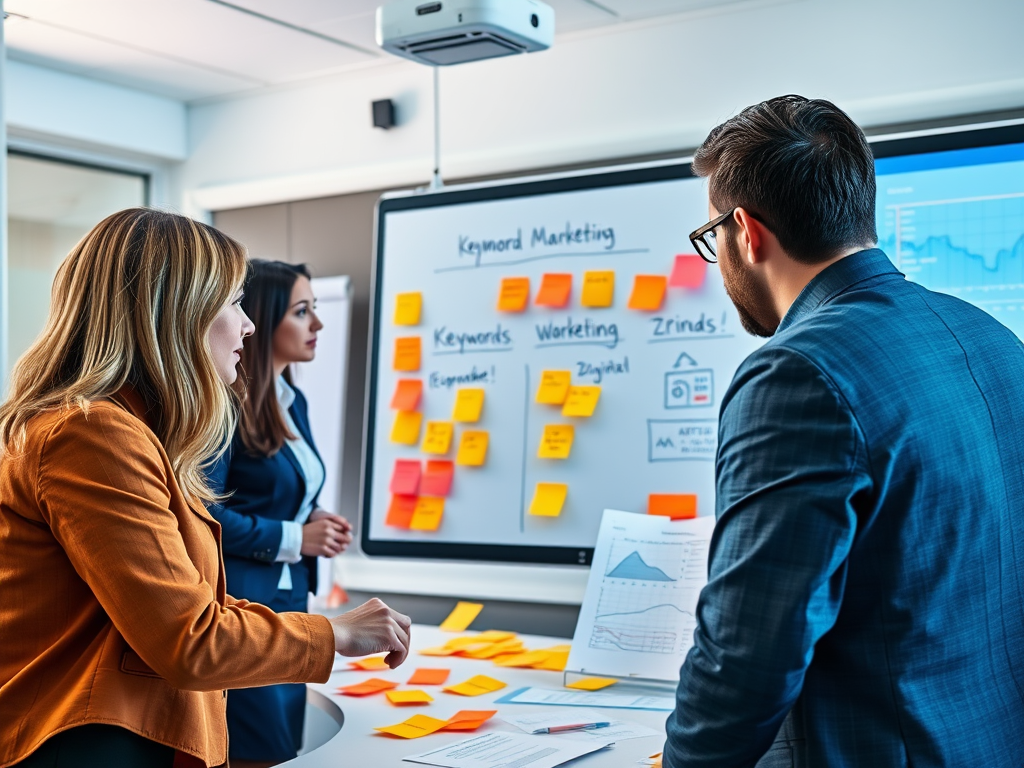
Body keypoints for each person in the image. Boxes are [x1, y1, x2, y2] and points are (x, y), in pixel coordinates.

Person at [664, 96, 1024, 767]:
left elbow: (748, 655)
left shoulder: (796, 373)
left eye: (712, 238)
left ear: (746, 231)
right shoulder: (993, 338)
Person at [0, 209, 411, 768]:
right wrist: (334, 635)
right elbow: (190, 638)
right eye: (234, 304)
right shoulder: (92, 434)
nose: (247, 326)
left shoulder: (128, 430)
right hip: (86, 744)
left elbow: (186, 601)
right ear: (174, 313)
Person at [207, 260, 351, 767]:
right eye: (302, 312)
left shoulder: (295, 400)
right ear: (263, 320)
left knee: (285, 749)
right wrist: (296, 536)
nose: (318, 325)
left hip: (293, 601)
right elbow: (204, 516)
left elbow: (284, 493)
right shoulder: (223, 407)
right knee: (258, 752)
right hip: (245, 615)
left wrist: (314, 519)